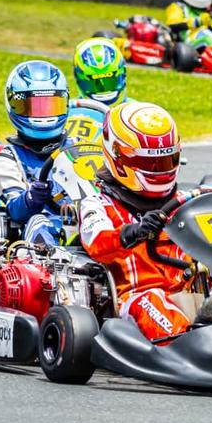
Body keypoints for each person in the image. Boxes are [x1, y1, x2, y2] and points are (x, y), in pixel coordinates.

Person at [78, 102, 194, 341]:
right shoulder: (97, 204)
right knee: (152, 303)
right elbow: (97, 244)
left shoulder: (186, 201)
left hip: (191, 288)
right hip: (137, 295)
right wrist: (134, 232)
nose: (158, 171)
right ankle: (186, 343)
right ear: (119, 156)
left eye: (165, 162)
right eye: (150, 164)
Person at [0, 59, 70, 247]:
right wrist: (31, 198)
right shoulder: (8, 158)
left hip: (85, 221)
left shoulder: (77, 149)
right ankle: (51, 266)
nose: (43, 116)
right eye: (34, 107)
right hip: (42, 227)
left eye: (51, 106)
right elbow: (15, 211)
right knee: (39, 222)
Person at [72, 37, 129, 107]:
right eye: (95, 84)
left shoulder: (134, 108)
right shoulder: (72, 111)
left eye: (110, 82)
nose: (105, 92)